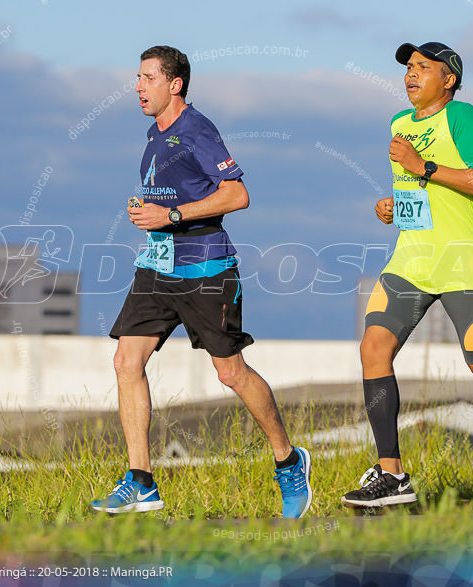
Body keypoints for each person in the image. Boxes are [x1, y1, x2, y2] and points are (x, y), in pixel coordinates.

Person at [90, 45, 311, 518]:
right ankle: (141, 481)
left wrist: (170, 213)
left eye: (148, 78)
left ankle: (289, 461)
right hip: (157, 266)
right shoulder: (155, 132)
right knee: (126, 360)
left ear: (175, 85)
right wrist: (151, 217)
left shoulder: (197, 130)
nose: (137, 87)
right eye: (138, 77)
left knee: (230, 371)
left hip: (206, 268)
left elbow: (237, 194)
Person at [340, 42, 473, 512]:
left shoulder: (464, 116)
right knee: (373, 348)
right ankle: (392, 474)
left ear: (448, 79)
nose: (411, 75)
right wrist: (394, 206)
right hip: (411, 259)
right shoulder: (398, 124)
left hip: (461, 262)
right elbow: (418, 194)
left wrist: (425, 167)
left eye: (422, 68)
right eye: (408, 68)